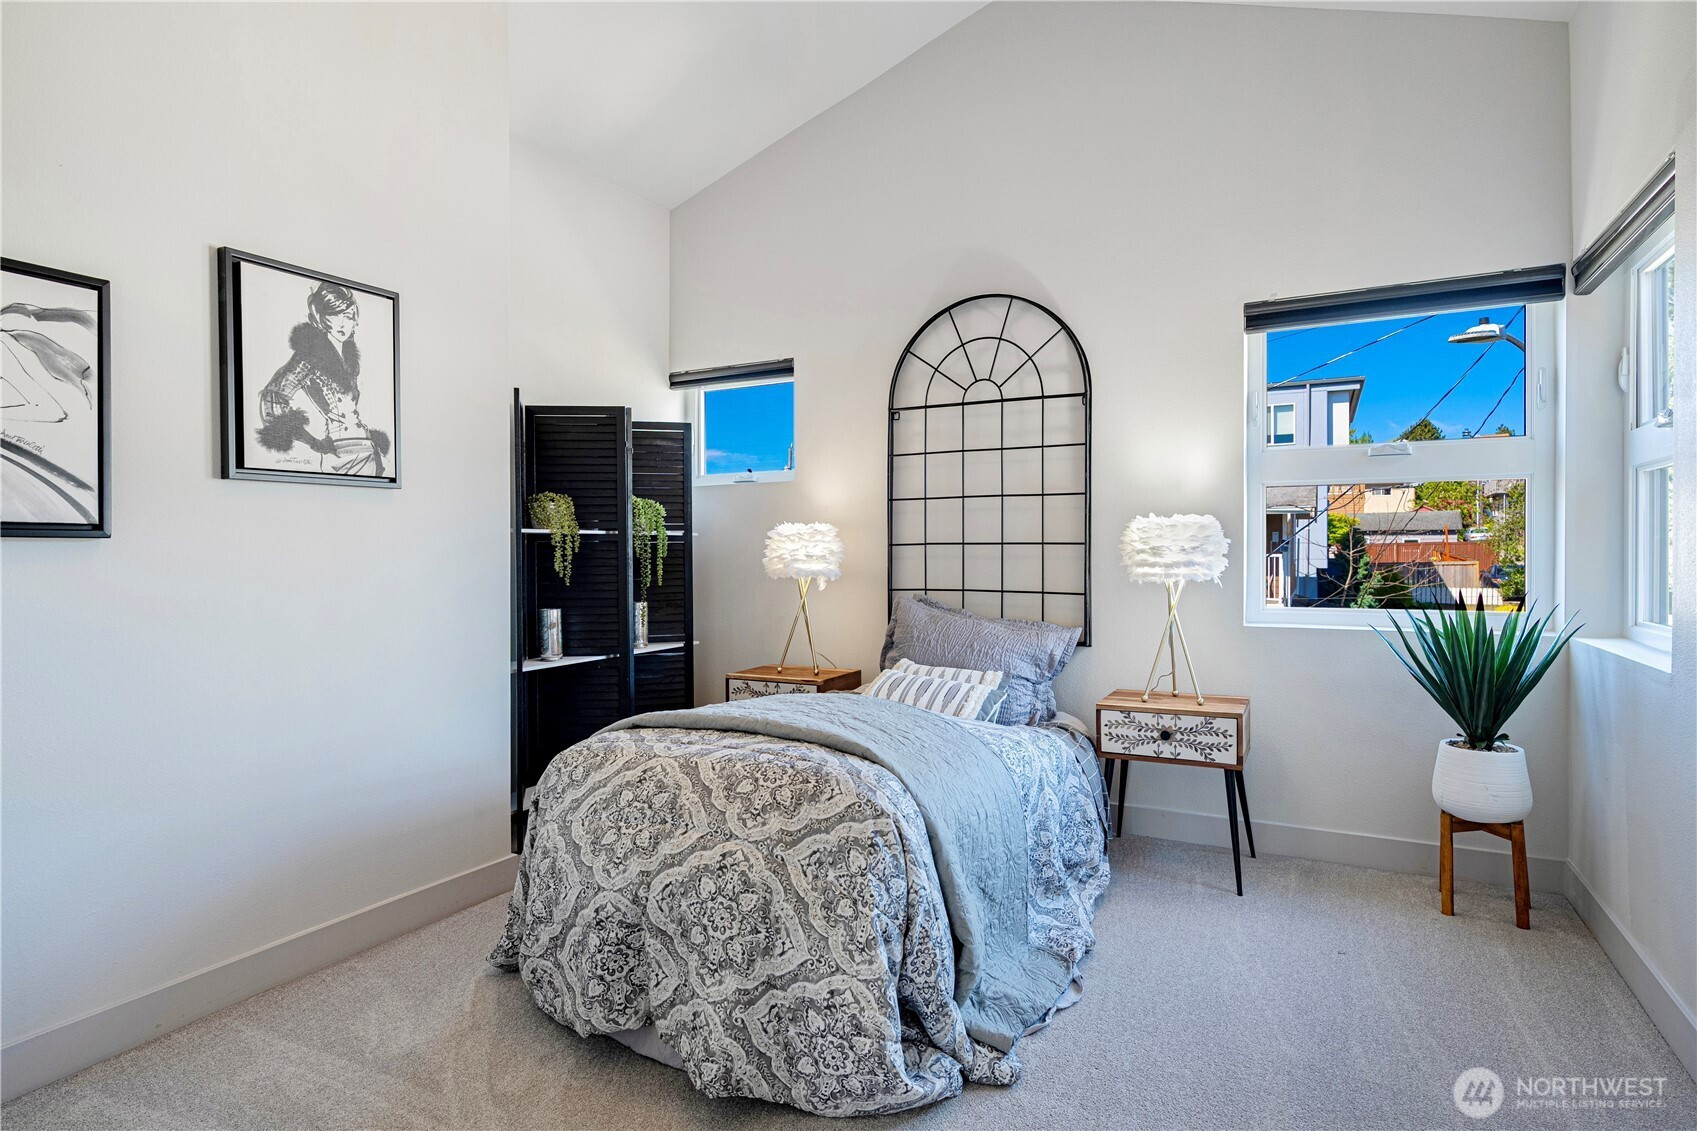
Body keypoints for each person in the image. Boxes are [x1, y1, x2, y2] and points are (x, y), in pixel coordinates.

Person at [255, 282, 387, 476]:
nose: (342, 324)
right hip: (342, 452)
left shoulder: (350, 361)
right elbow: (272, 399)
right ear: (321, 317)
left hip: (368, 448)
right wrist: (313, 442)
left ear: (355, 321)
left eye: (348, 316)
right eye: (334, 315)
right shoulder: (309, 356)